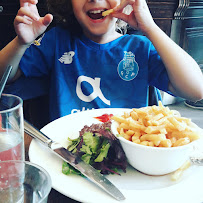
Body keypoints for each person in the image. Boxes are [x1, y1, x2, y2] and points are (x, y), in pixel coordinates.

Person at [0, 0, 203, 123]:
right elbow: (4, 78)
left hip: (131, 156)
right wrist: (20, 43)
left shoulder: (140, 48)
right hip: (70, 155)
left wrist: (150, 28)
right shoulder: (57, 41)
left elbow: (196, 90)